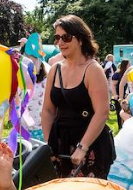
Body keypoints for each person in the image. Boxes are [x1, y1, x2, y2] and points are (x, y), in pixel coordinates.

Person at [41, 15, 114, 178]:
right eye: (57, 38)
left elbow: (102, 112)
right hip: (60, 142)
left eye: (66, 37)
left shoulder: (93, 69)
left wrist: (83, 147)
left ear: (80, 39)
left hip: (89, 142)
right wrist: (49, 145)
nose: (60, 43)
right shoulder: (55, 69)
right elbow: (47, 110)